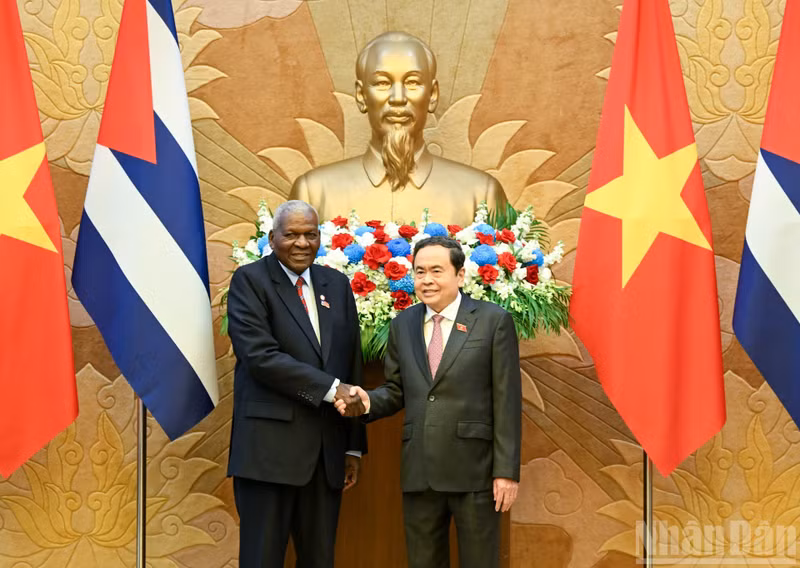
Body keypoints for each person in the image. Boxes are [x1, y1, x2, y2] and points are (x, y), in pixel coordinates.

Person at [337, 236, 521, 568]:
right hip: (420, 470)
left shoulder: (493, 321)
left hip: (476, 472)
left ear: (460, 275)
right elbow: (396, 391)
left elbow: (506, 400)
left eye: (437, 270)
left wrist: (506, 472)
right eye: (420, 271)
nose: (427, 280)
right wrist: (366, 403)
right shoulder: (403, 325)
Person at [226, 200, 367, 568]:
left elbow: (350, 360)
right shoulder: (250, 281)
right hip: (267, 454)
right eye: (291, 235)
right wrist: (330, 389)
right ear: (273, 238)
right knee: (262, 559)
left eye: (310, 234)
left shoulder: (335, 284)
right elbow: (261, 357)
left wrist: (352, 447)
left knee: (320, 560)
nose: (302, 243)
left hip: (326, 455)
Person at [289, 31, 507, 227]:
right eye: (382, 83)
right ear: (361, 95)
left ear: (432, 95)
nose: (398, 98)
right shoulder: (313, 193)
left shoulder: (481, 195)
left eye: (412, 83)